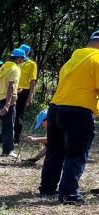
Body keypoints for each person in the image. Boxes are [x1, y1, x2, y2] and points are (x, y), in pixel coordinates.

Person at [39, 30, 99, 205]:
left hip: (55, 108)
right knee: (76, 153)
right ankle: (69, 194)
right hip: (78, 112)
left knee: (54, 151)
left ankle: (47, 188)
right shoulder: (97, 60)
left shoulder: (72, 60)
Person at [14, 44, 38, 144]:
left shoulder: (32, 64)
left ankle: (16, 138)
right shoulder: (16, 62)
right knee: (10, 113)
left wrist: (31, 95)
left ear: (28, 52)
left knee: (19, 115)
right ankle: (5, 137)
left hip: (24, 91)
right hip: (13, 89)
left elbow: (33, 81)